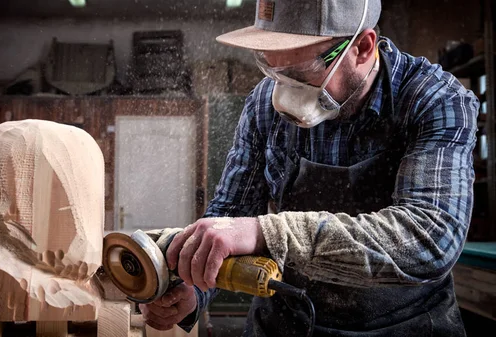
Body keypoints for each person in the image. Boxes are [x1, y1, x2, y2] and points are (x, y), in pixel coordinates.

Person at [139, 0, 480, 336]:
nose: (283, 95)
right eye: (272, 71)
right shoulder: (263, 105)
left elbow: (430, 238)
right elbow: (232, 211)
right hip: (286, 320)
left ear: (362, 47)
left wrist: (266, 234)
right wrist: (193, 288)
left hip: (403, 324)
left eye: (300, 75)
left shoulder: (434, 100)